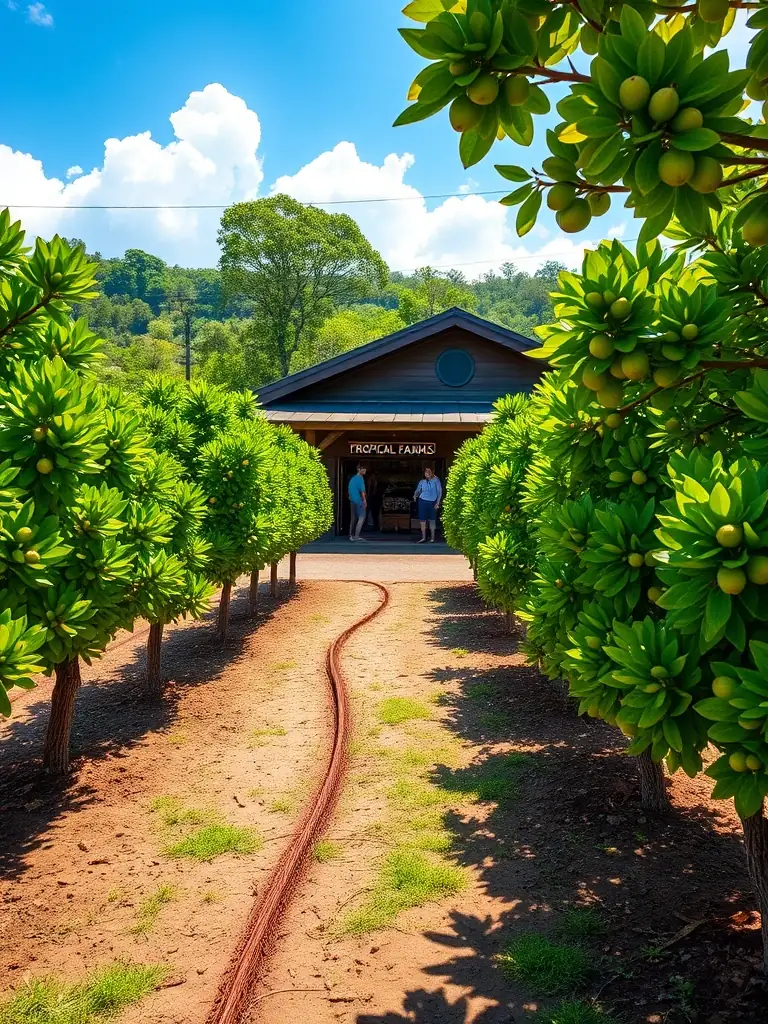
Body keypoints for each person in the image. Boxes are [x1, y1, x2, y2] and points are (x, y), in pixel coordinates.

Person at [414, 466, 442, 544]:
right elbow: (418, 490)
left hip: (432, 502)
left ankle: (432, 538)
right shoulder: (422, 482)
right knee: (422, 520)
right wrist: (415, 494)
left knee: (432, 520)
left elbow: (439, 492)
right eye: (426, 472)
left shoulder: (436, 480)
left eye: (429, 471)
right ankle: (423, 537)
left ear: (432, 472)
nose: (427, 473)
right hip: (422, 501)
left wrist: (437, 503)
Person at [348, 463, 368, 542]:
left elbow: (349, 489)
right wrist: (364, 501)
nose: (365, 470)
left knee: (353, 518)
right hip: (358, 500)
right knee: (362, 516)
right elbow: (362, 491)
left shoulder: (353, 478)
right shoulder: (360, 478)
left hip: (352, 500)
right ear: (359, 469)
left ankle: (351, 535)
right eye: (363, 469)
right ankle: (356, 536)